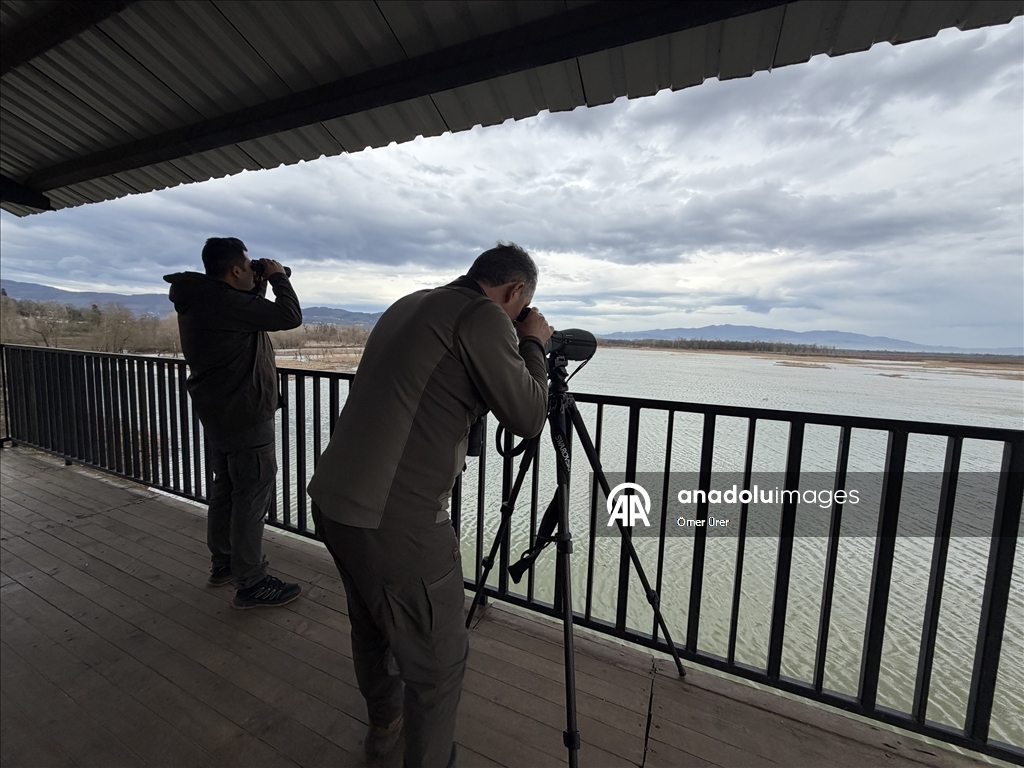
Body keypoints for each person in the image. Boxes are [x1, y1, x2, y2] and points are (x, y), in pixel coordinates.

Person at [308, 242, 552, 768]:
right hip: (397, 521)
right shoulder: (483, 316)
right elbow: (530, 417)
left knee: (373, 625)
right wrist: (532, 343)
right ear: (516, 292)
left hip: (333, 499)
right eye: (520, 306)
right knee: (439, 664)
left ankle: (384, 729)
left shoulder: (411, 302)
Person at [164, 237, 303, 609]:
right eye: (248, 265)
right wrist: (277, 279)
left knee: (227, 489)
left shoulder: (204, 298)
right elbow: (289, 317)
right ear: (235, 269)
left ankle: (223, 563)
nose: (253, 269)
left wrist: (257, 284)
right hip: (244, 414)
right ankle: (252, 581)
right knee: (251, 496)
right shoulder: (224, 303)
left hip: (219, 412)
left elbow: (249, 310)